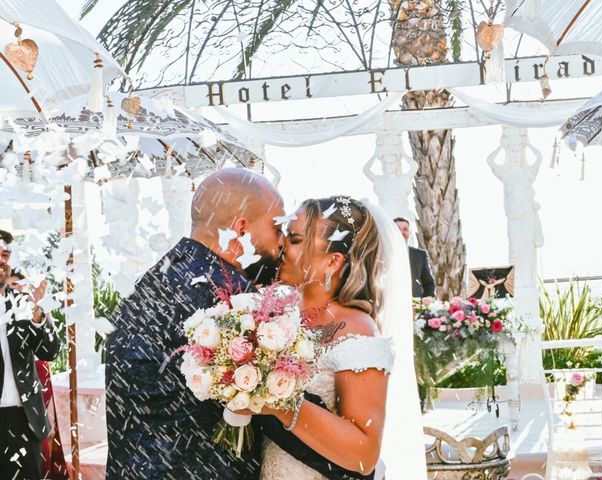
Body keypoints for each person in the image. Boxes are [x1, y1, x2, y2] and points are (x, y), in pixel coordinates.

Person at [105, 169, 372, 479]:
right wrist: (355, 463)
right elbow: (271, 402)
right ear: (240, 229)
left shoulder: (153, 282)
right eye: (276, 228)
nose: (282, 242)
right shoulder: (228, 302)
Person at [251, 196, 426, 480]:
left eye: (295, 239)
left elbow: (363, 455)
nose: (281, 244)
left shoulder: (355, 331)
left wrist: (271, 399)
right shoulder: (275, 317)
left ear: (333, 261)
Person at [0, 236, 61, 480]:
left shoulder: (23, 305)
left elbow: (50, 351)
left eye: (5, 255)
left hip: (23, 420)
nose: (1, 260)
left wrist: (38, 312)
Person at [393, 217, 435, 298]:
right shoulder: (382, 253)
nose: (402, 232)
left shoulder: (420, 255)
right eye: (398, 229)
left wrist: (426, 302)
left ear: (409, 232)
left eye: (405, 229)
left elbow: (429, 284)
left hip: (414, 306)